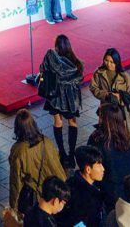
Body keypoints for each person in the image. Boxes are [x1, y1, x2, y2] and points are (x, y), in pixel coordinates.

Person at [38, 34, 84, 166]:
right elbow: (79, 79)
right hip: (70, 99)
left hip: (55, 96)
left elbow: (42, 69)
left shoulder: (51, 57)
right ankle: (71, 154)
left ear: (57, 46)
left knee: (57, 122)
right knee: (72, 123)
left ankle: (62, 153)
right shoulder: (75, 63)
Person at [8, 109, 67, 211]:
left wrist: (13, 205)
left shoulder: (18, 150)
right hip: (52, 194)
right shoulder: (46, 141)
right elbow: (57, 164)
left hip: (35, 196)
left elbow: (16, 180)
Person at [88, 102, 130, 205]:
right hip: (128, 186)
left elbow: (90, 163)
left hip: (109, 188)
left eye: (100, 116)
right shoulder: (127, 138)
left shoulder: (98, 140)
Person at [89, 47, 130, 140]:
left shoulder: (124, 76)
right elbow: (93, 88)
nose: (108, 64)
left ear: (117, 62)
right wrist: (106, 95)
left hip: (121, 112)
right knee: (107, 135)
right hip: (106, 110)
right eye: (106, 60)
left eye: (112, 62)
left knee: (123, 136)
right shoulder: (99, 73)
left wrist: (119, 97)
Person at [57, 145, 111, 227]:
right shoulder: (83, 199)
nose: (103, 169)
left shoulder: (72, 181)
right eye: (99, 165)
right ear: (88, 169)